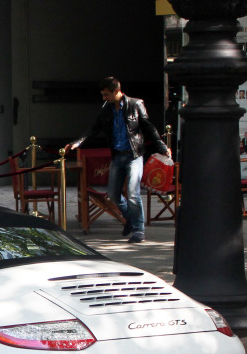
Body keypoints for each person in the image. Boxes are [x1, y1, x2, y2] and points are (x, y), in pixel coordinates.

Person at [65, 76, 170, 243]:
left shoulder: (135, 105)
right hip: (117, 155)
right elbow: (94, 128)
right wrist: (77, 142)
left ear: (116, 92)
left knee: (133, 193)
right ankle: (129, 216)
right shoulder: (106, 109)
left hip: (134, 155)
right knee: (113, 194)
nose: (104, 98)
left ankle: (138, 231)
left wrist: (162, 147)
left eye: (106, 94)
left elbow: (148, 127)